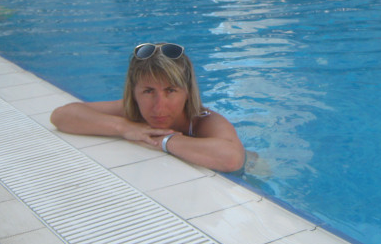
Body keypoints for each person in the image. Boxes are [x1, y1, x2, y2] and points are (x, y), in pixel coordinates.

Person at [50, 42, 245, 172]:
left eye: (170, 90)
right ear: (133, 92)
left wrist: (164, 140)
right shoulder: (133, 111)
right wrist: (126, 128)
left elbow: (232, 159)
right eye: (148, 91)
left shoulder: (204, 120)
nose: (159, 107)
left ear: (188, 92)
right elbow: (62, 115)